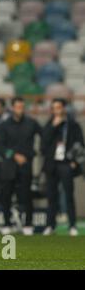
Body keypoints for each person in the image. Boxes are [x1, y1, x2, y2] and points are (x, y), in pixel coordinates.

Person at [0, 97, 41, 236]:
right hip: (9, 165)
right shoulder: (4, 124)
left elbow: (45, 136)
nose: (20, 110)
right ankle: (6, 223)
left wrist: (31, 154)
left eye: (22, 107)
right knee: (6, 195)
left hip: (25, 165)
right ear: (12, 108)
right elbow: (0, 147)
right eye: (17, 107)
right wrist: (14, 155)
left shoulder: (32, 123)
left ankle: (28, 224)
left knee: (27, 195)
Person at [41, 98, 84, 237]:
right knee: (51, 197)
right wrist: (54, 125)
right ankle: (50, 225)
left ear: (64, 108)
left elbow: (80, 144)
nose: (57, 110)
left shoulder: (72, 125)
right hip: (51, 165)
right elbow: (44, 143)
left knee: (68, 195)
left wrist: (74, 163)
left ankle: (72, 225)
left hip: (66, 164)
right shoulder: (49, 124)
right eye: (54, 107)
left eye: (59, 107)